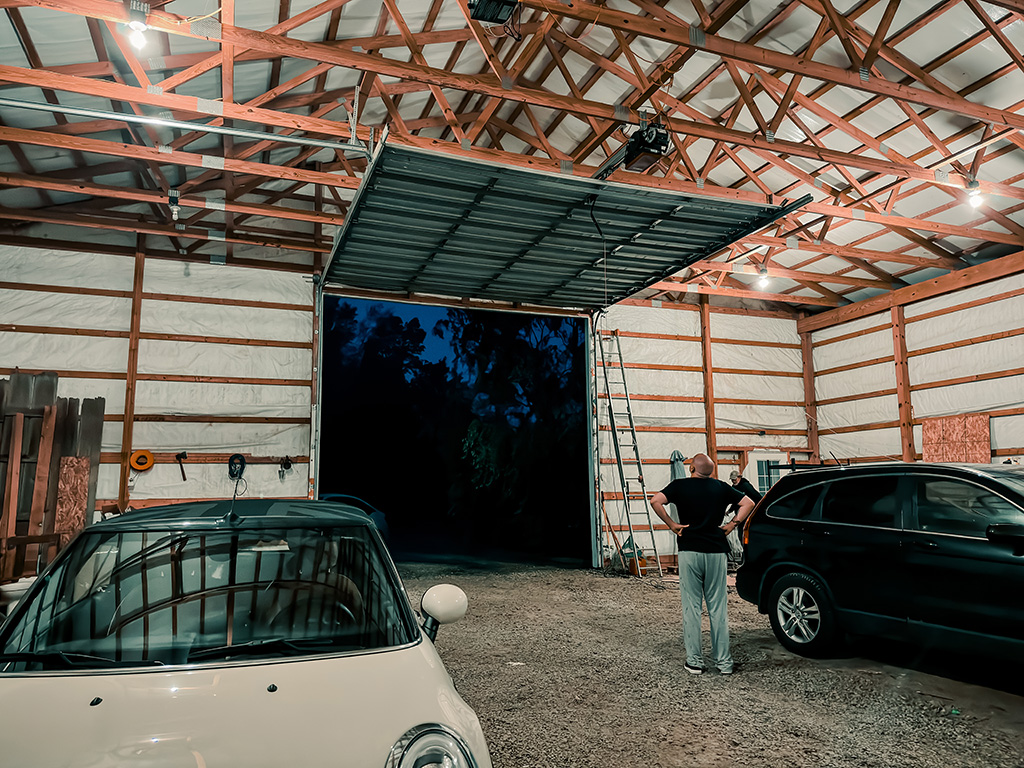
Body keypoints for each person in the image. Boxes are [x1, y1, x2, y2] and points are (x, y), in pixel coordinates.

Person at [650, 453, 754, 676]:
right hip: (716, 551)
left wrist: (672, 524)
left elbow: (655, 501)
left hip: (689, 550)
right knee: (718, 608)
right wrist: (731, 525)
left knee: (692, 607)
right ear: (711, 471)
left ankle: (695, 662)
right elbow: (749, 502)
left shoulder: (679, 486)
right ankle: (724, 663)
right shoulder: (721, 487)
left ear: (691, 468)